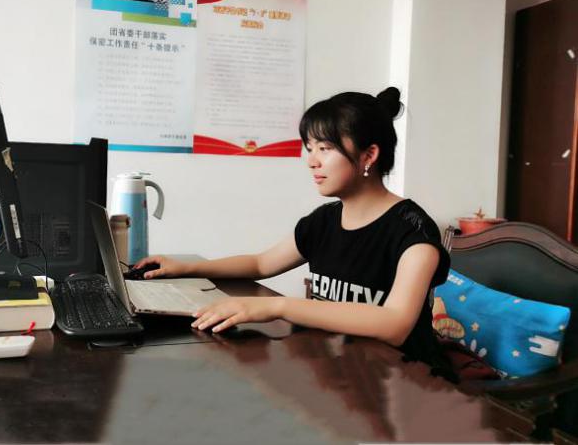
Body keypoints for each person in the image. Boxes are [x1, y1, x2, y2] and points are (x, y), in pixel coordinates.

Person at [134, 87, 450, 366]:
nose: (311, 161)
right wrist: (186, 267)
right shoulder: (324, 221)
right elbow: (261, 263)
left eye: (325, 148)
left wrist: (278, 306)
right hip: (341, 367)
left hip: (403, 380)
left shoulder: (414, 231)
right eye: (310, 148)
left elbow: (395, 325)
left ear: (369, 155)